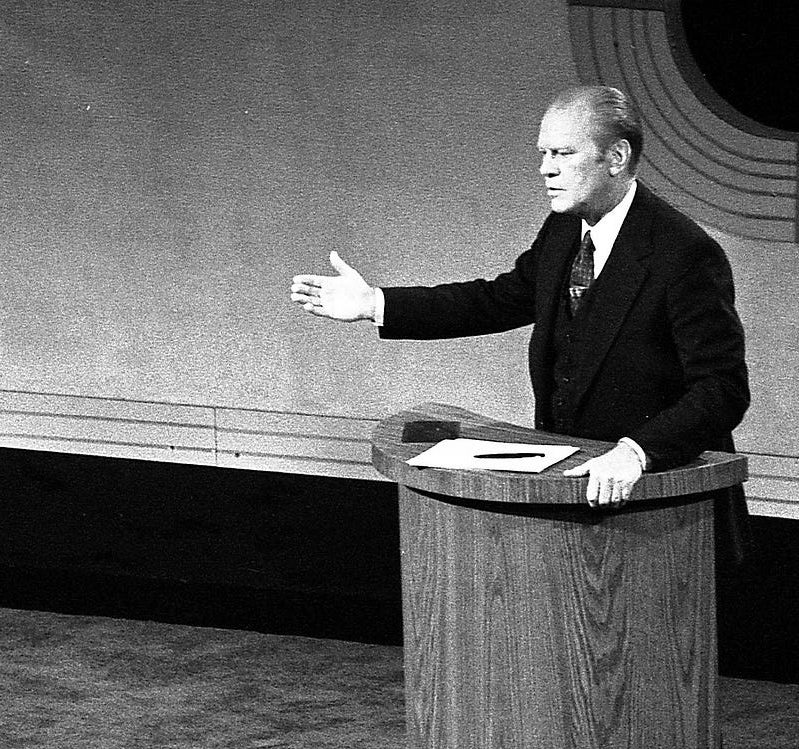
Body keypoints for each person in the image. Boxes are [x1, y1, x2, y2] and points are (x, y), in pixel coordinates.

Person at [288, 85, 749, 522]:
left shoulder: (683, 252)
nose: (546, 169)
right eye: (543, 154)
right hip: (570, 499)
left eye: (563, 154)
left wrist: (636, 451)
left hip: (666, 510)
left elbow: (722, 389)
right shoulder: (565, 230)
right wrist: (376, 303)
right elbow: (495, 300)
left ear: (617, 157)